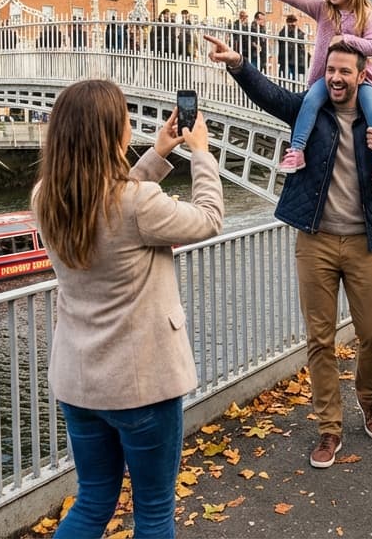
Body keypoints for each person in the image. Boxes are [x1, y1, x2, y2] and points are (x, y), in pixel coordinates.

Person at [204, 34, 372, 469]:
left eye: (345, 72)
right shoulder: (310, 110)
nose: (336, 79)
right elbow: (271, 96)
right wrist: (239, 65)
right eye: (330, 71)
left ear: (361, 76)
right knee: (320, 339)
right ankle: (329, 428)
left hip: (364, 242)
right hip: (315, 241)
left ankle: (369, 399)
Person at [32, 79, 224, 539]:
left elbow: (111, 199)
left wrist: (157, 154)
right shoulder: (137, 204)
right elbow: (210, 218)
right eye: (124, 121)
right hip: (143, 386)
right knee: (154, 511)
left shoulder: (47, 198)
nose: (128, 127)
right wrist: (200, 153)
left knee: (94, 499)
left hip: (79, 383)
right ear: (110, 133)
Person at [258, 0, 372, 191]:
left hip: (362, 80)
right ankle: (297, 150)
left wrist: (346, 39)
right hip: (326, 78)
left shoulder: (365, 14)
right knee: (310, 101)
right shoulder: (323, 9)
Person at [277, 14, 308, 81]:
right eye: (291, 22)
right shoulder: (283, 32)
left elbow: (301, 43)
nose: (293, 24)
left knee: (294, 78)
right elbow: (281, 39)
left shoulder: (298, 32)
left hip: (294, 59)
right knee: (284, 78)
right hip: (286, 59)